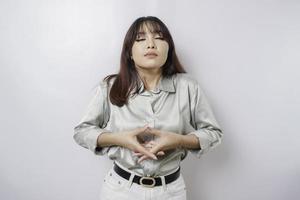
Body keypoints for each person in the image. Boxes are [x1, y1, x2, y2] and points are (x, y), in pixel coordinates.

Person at [73, 16, 223, 200]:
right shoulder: (110, 86)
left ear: (169, 48)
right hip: (120, 190)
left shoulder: (188, 86)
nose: (151, 44)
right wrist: (120, 139)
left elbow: (213, 133)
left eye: (159, 37)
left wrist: (178, 140)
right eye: (140, 39)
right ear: (129, 51)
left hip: (172, 191)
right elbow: (82, 132)